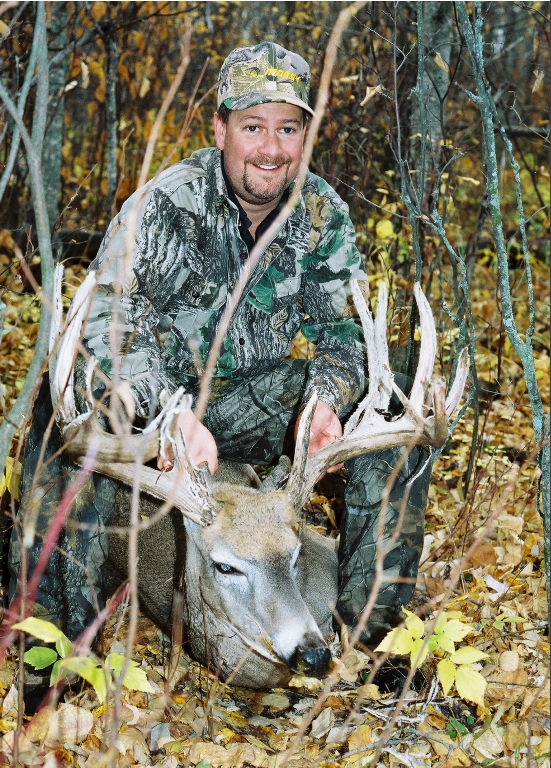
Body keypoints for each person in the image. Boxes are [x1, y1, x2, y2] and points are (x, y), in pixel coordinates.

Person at [9, 42, 431, 694]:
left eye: (287, 129)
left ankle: (373, 634)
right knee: (68, 419)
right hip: (154, 411)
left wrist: (325, 400)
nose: (270, 148)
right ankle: (57, 649)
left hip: (246, 404)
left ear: (304, 137)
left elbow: (343, 337)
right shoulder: (164, 205)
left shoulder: (319, 216)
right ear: (220, 130)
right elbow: (104, 327)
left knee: (393, 396)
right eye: (252, 127)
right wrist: (170, 416)